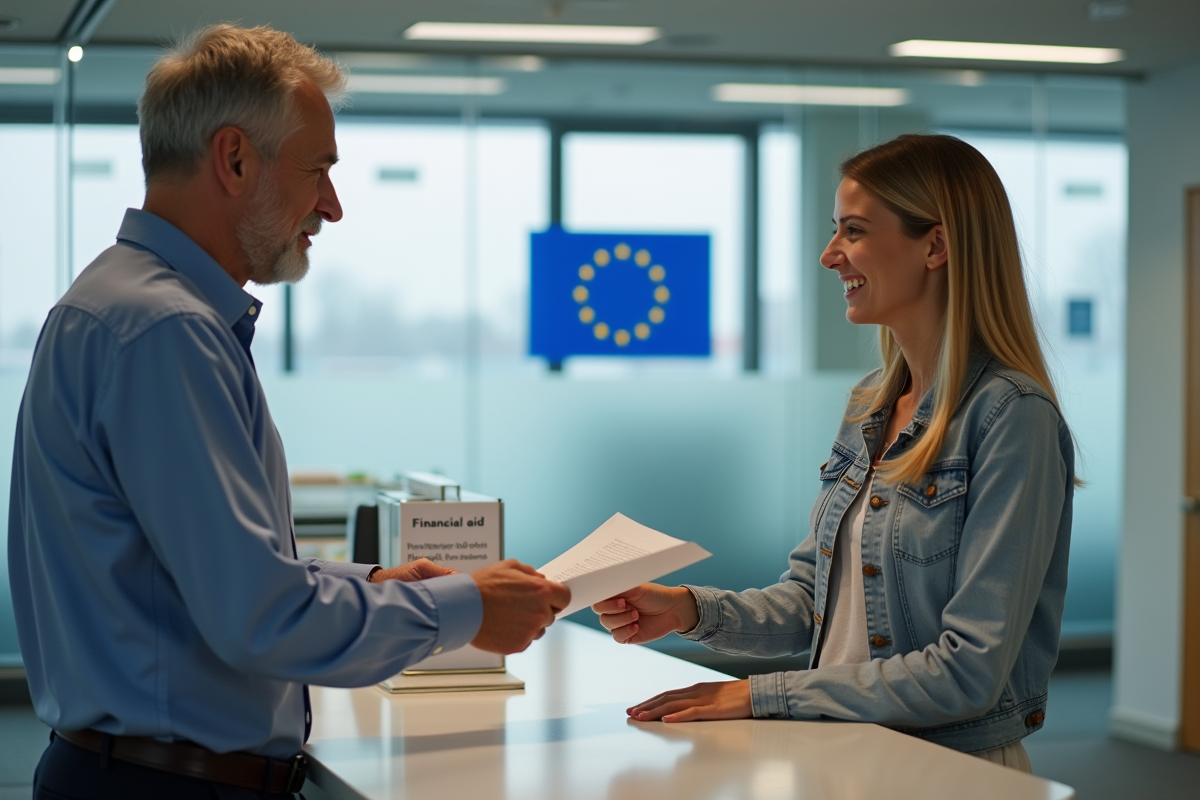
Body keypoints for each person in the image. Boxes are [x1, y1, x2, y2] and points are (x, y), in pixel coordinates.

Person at [8, 24, 570, 800]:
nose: (332, 207)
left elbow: (186, 578)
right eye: (319, 171)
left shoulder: (114, 305)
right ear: (234, 159)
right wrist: (467, 608)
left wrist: (375, 583)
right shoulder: (167, 332)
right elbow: (259, 620)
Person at [593, 134, 1075, 772]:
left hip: (948, 769)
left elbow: (968, 672)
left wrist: (760, 695)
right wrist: (689, 610)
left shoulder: (1013, 417)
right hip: (846, 752)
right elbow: (815, 602)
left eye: (853, 231)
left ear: (936, 245)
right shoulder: (870, 403)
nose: (829, 256)